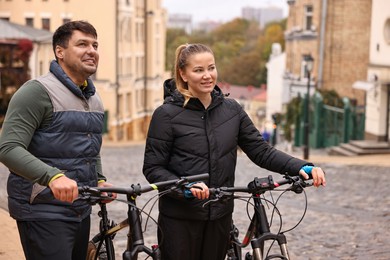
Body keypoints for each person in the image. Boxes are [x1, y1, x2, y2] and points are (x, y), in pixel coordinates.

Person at [142, 43, 326, 260]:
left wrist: (301, 166)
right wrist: (185, 186)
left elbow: (261, 150)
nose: (207, 75)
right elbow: (153, 168)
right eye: (198, 70)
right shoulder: (166, 114)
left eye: (211, 68)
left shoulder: (232, 110)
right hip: (180, 218)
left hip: (220, 215)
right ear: (183, 74)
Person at [0, 20, 115, 260]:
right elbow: (8, 148)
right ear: (59, 52)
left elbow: (90, 149)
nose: (92, 50)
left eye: (95, 44)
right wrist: (52, 176)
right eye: (82, 44)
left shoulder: (93, 99)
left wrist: (100, 179)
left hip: (81, 209)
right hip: (42, 209)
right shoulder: (36, 91)